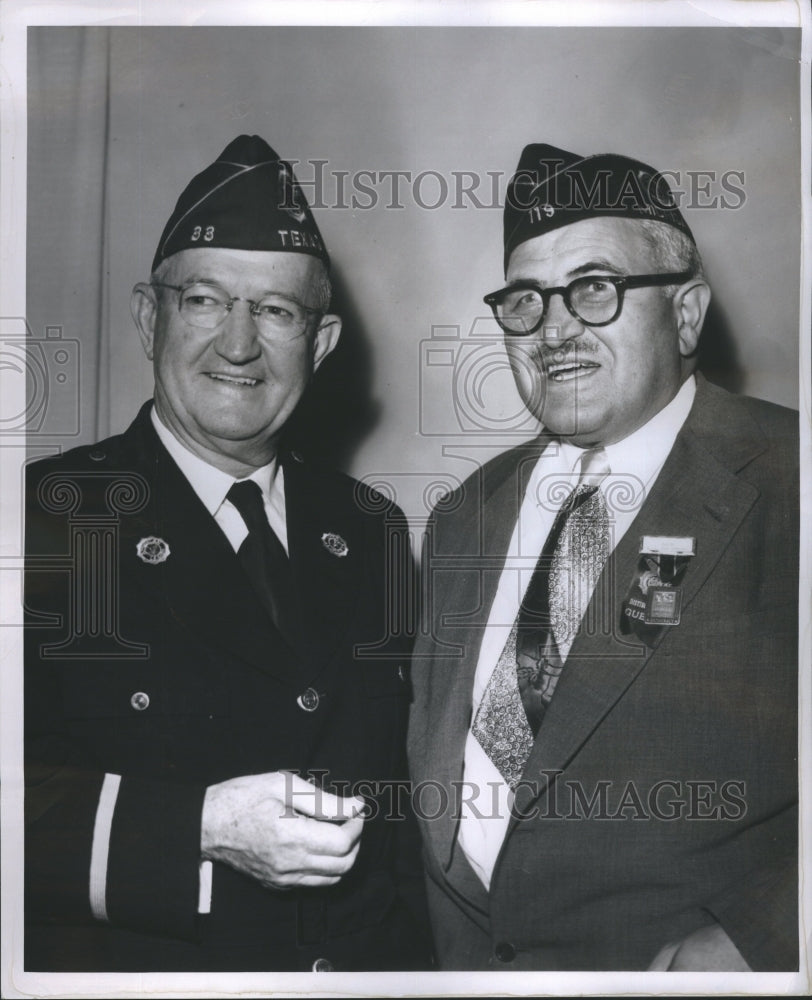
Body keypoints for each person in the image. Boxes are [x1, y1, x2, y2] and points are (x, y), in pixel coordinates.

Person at [24, 134, 429, 972]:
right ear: (149, 317)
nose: (239, 345)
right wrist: (198, 828)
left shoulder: (370, 529)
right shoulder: (42, 521)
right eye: (206, 301)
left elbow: (400, 833)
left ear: (319, 346)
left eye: (277, 312)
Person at [408, 143, 798, 971]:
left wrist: (762, 936)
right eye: (526, 300)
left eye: (595, 289)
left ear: (687, 313)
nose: (554, 329)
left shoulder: (788, 480)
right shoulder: (462, 516)